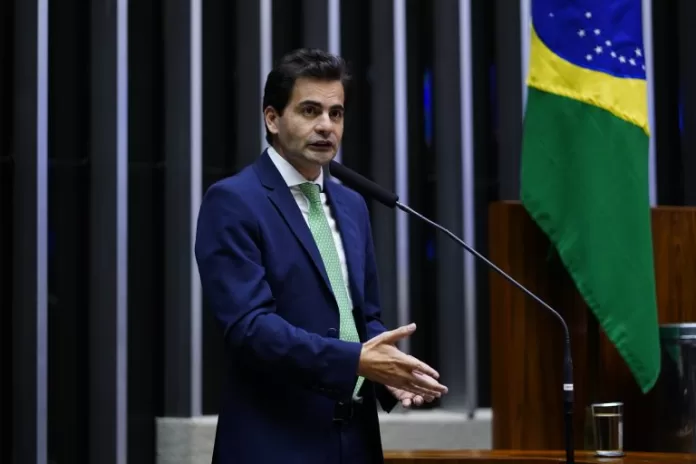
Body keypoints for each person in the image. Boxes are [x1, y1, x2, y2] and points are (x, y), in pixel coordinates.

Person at [194, 48, 448, 464]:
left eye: (336, 113)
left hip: (357, 439)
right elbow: (250, 329)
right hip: (275, 442)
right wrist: (358, 361)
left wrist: (389, 374)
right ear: (272, 119)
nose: (326, 126)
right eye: (310, 110)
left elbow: (363, 316)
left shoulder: (351, 205)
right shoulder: (234, 202)